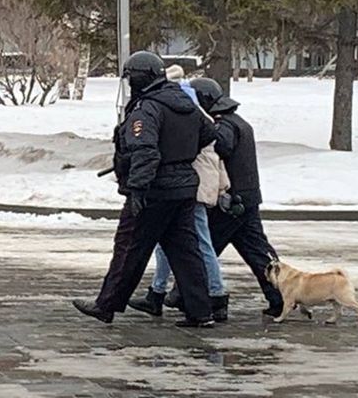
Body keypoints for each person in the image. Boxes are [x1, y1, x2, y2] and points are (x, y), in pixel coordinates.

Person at [72, 51, 217, 328]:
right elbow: (209, 134)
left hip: (154, 191)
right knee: (186, 252)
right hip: (184, 187)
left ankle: (106, 305)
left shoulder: (148, 108)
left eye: (130, 78)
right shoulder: (183, 101)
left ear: (140, 78)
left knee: (129, 248)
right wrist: (180, 156)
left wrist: (137, 189)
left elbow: (145, 150)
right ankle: (200, 311)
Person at [130, 66, 231, 322]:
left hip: (190, 184)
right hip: (192, 182)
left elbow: (209, 144)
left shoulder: (187, 112)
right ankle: (158, 291)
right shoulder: (192, 111)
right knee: (172, 244)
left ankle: (215, 294)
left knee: (197, 243)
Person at [189, 77, 284, 319]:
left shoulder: (223, 125)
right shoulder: (238, 121)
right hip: (247, 198)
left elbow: (222, 146)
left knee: (202, 248)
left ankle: (194, 296)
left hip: (231, 202)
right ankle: (280, 296)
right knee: (257, 252)